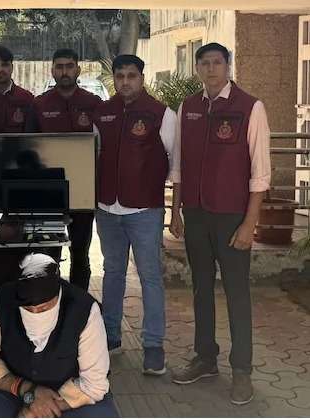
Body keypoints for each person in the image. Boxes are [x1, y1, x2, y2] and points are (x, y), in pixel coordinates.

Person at [170, 42, 271, 405]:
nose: (211, 68)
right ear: (197, 68)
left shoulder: (250, 107)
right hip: (196, 214)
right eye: (205, 63)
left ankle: (241, 370)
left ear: (228, 66)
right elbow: (178, 165)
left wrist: (249, 224)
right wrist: (175, 211)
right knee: (200, 288)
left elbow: (261, 173)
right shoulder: (188, 108)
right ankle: (205, 358)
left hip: (232, 218)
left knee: (236, 293)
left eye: (217, 62)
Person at [91, 54, 177, 376]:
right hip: (107, 209)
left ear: (142, 77)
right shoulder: (103, 112)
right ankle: (111, 337)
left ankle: (153, 346)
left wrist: (176, 210)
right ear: (114, 78)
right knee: (112, 273)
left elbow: (176, 164)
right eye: (120, 76)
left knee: (150, 277)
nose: (125, 81)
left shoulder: (161, 114)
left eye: (131, 75)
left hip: (145, 211)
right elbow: (93, 156)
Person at [0, 253, 118, 418]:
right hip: (16, 392)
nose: (35, 313)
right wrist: (26, 389)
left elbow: (93, 384)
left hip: (67, 399)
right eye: (27, 309)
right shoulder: (1, 300)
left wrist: (35, 411)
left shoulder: (85, 309)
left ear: (58, 295)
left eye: (44, 308)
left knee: (103, 415)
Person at [31, 48, 103, 292]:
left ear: (78, 70)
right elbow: (30, 148)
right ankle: (50, 301)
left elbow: (102, 146)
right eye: (60, 67)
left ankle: (78, 304)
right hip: (49, 193)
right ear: (52, 71)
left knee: (80, 253)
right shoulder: (39, 104)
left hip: (83, 192)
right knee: (48, 254)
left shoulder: (93, 103)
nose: (65, 71)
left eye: (69, 66)